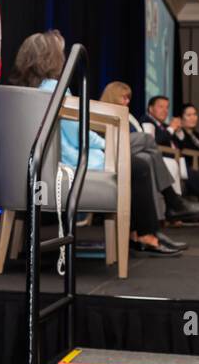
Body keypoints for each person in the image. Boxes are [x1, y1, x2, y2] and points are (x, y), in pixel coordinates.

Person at [10, 32, 181, 256]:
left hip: (41, 167)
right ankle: (151, 229)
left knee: (142, 159)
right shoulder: (55, 88)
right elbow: (78, 135)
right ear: (51, 59)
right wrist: (106, 144)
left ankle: (145, 233)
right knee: (139, 163)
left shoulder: (27, 91)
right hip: (68, 165)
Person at [101, 81, 199, 228]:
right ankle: (174, 202)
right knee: (147, 139)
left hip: (132, 153)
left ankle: (153, 227)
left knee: (147, 159)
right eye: (123, 98)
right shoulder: (104, 111)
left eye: (128, 98)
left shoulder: (129, 115)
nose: (127, 101)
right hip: (114, 150)